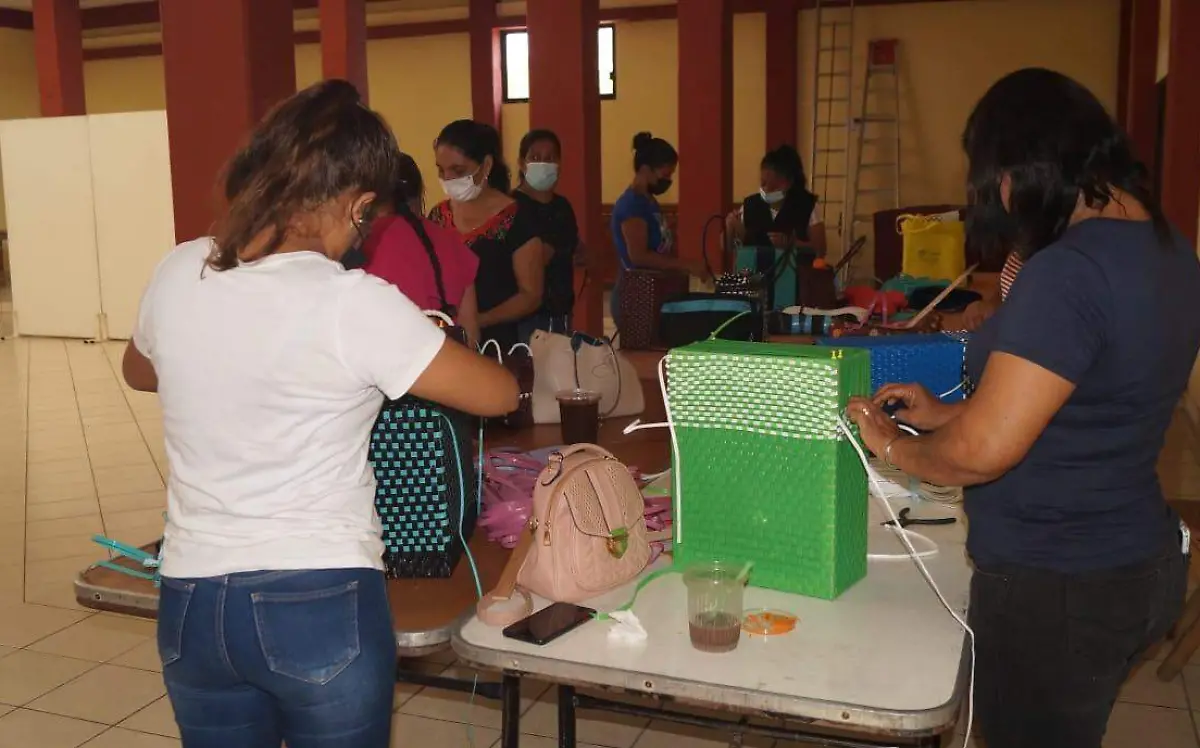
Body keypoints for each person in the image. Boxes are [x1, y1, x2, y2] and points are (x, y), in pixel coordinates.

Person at [120, 80, 518, 748]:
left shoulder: (180, 267)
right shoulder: (355, 305)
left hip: (191, 601)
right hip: (318, 600)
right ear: (357, 204)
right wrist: (411, 337)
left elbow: (139, 370)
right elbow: (498, 393)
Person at [848, 68, 1200, 748]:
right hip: (1133, 562)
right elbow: (1084, 406)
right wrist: (943, 416)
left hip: (1059, 586)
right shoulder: (1168, 250)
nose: (1000, 200)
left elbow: (985, 453)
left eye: (995, 179)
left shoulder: (1067, 270)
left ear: (1025, 165)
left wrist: (891, 444)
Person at [428, 120, 544, 350]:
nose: (448, 178)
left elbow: (530, 295)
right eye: (441, 170)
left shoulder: (518, 218)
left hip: (500, 344)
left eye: (458, 171)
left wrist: (478, 321)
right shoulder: (437, 217)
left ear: (486, 165)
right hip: (445, 343)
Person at [360, 152, 481, 344]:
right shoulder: (452, 243)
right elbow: (470, 333)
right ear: (419, 192)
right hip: (449, 364)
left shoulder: (361, 244)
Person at [610, 132, 707, 325]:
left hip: (656, 293)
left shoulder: (650, 202)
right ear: (646, 169)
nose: (668, 180)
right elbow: (639, 256)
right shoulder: (632, 205)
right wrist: (686, 264)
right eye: (665, 174)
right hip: (637, 297)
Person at [513, 129, 580, 336]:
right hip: (524, 318)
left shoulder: (562, 207)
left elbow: (574, 247)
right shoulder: (511, 208)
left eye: (549, 158)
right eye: (535, 158)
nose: (542, 163)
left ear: (559, 164)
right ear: (522, 163)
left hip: (560, 314)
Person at [726, 144, 827, 256]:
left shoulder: (808, 205)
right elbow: (728, 246)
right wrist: (730, 228)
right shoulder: (750, 205)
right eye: (762, 183)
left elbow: (820, 250)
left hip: (796, 271)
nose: (763, 188)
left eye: (767, 184)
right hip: (755, 271)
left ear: (787, 183)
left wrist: (791, 244)